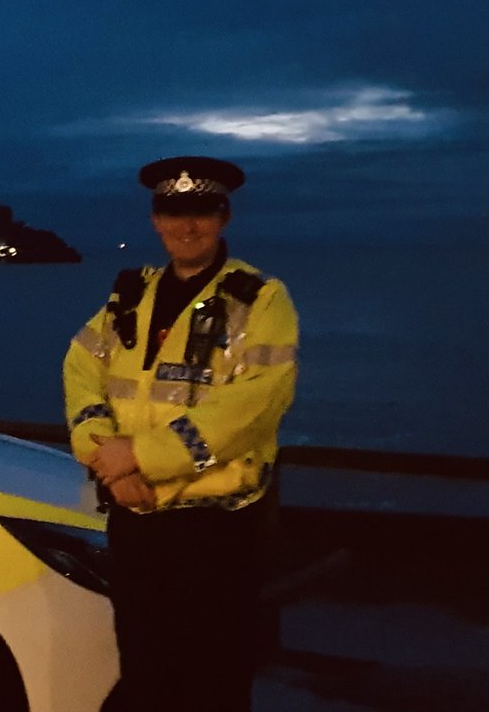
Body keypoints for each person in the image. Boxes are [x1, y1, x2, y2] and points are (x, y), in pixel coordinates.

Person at [63, 156, 298, 712]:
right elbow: (80, 370)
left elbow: (254, 407)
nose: (186, 227)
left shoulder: (260, 300)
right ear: (154, 220)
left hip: (215, 530)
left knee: (213, 678)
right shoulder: (130, 296)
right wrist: (105, 459)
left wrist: (139, 458)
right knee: (145, 670)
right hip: (136, 518)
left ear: (223, 217)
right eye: (173, 212)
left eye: (201, 212)